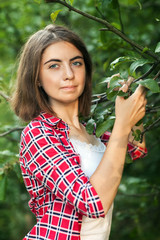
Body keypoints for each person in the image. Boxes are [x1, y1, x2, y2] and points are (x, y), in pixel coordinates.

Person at [11, 24, 147, 240]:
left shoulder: (92, 127)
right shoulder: (38, 133)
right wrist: (122, 122)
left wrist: (133, 102)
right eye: (54, 66)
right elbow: (94, 203)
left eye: (76, 63)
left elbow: (132, 150)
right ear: (36, 77)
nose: (69, 74)